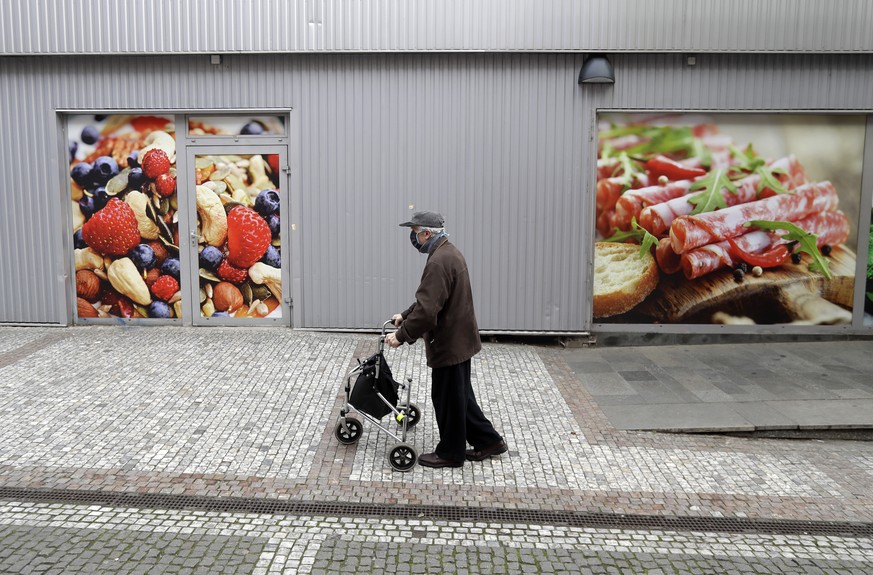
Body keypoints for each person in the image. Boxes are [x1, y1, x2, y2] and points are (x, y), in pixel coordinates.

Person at [385, 211, 507, 468]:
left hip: (450, 343)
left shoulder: (439, 262)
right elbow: (430, 300)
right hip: (459, 339)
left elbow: (428, 312)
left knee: (447, 398)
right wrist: (405, 315)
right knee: (460, 395)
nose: (413, 237)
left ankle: (451, 453)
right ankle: (489, 441)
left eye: (414, 231)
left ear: (427, 233)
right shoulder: (448, 253)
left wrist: (402, 335)